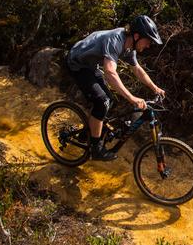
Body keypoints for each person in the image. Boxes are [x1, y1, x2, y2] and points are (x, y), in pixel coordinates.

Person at [66, 15, 166, 161]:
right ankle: (96, 149)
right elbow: (110, 72)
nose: (149, 45)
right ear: (137, 36)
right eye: (148, 41)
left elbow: (138, 70)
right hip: (77, 63)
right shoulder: (115, 40)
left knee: (109, 100)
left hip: (91, 65)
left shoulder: (130, 48)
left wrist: (155, 88)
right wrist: (132, 98)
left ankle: (87, 133)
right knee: (102, 101)